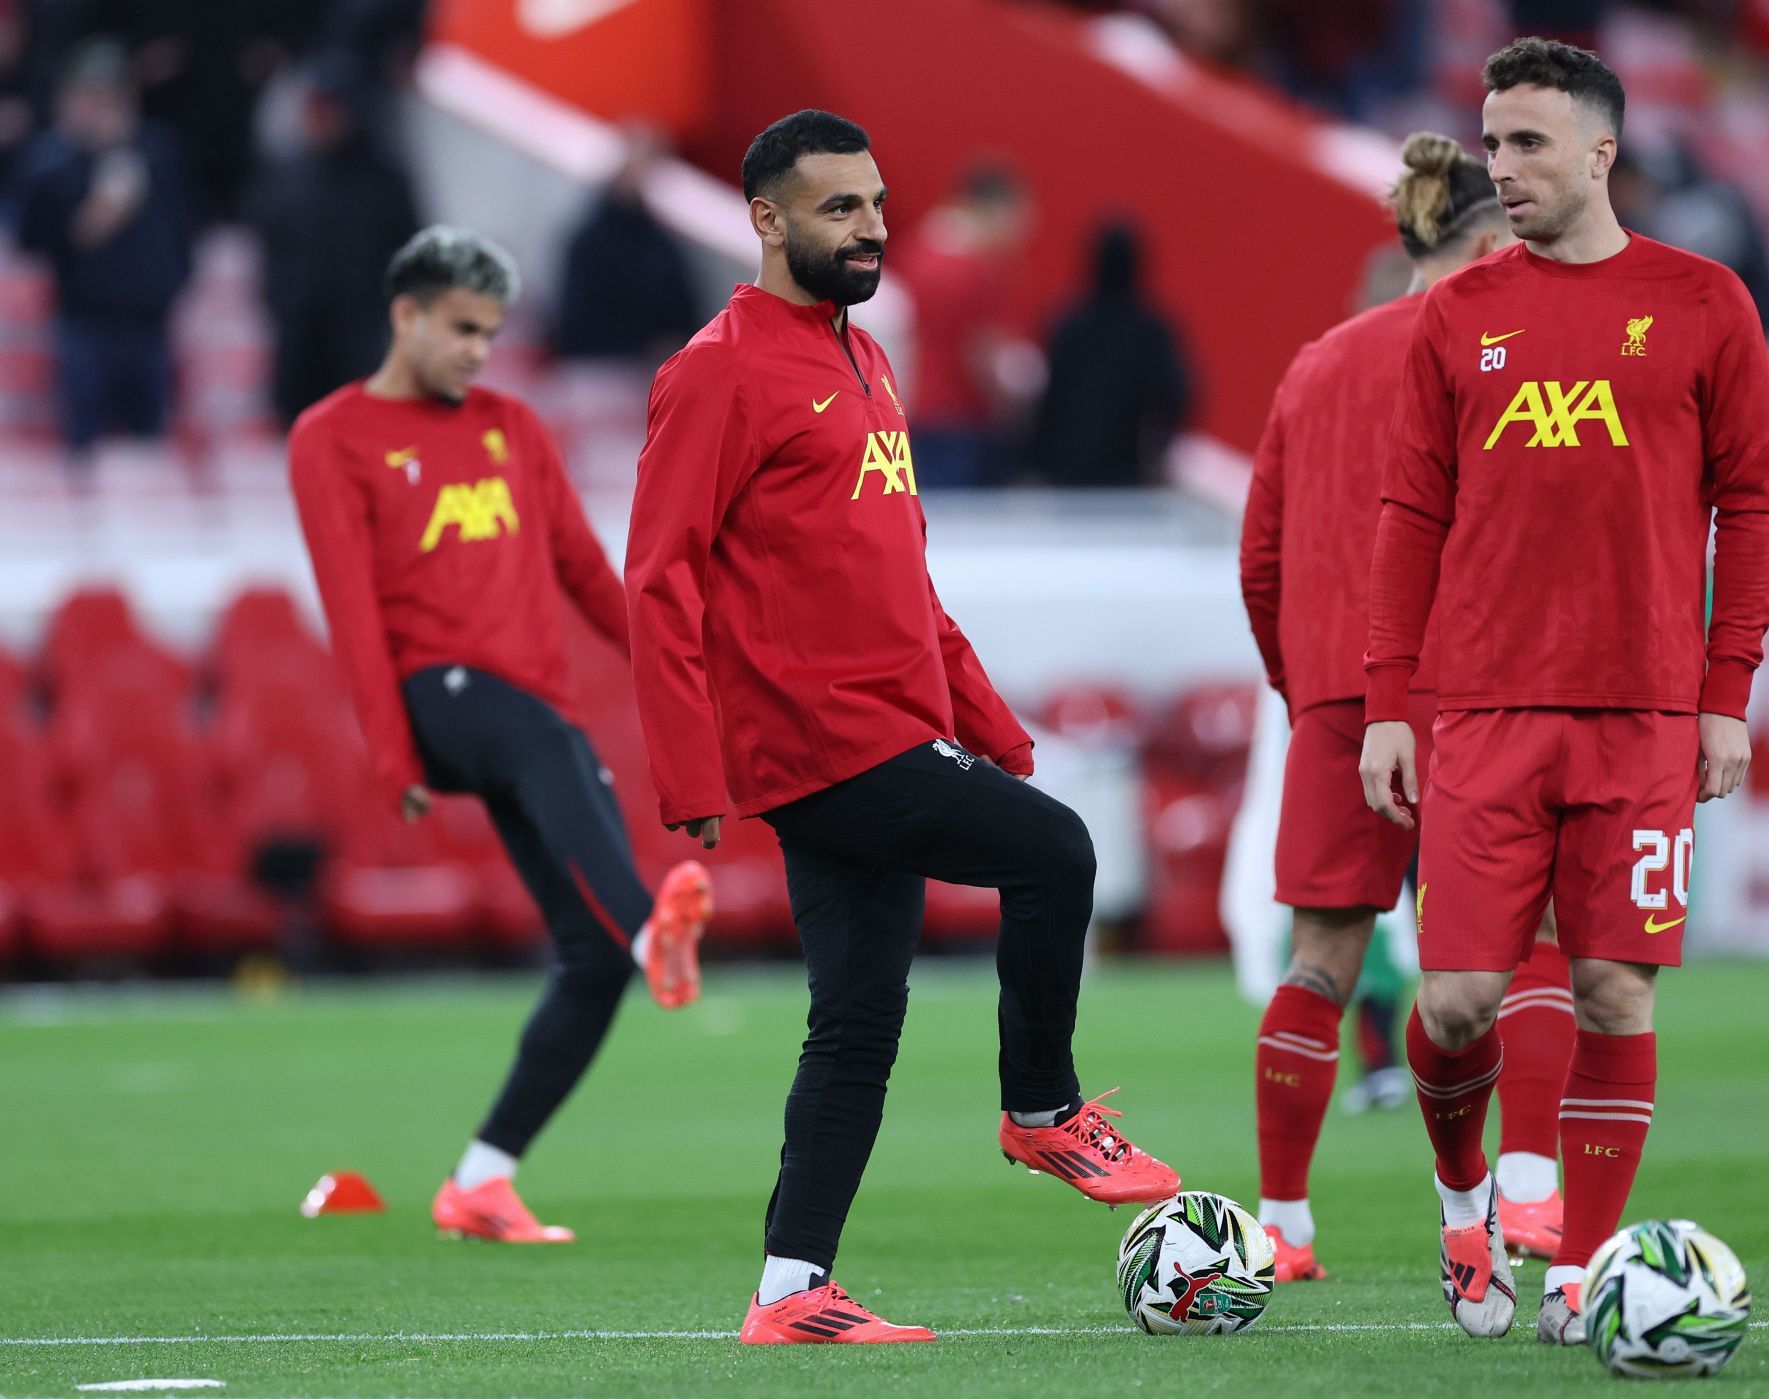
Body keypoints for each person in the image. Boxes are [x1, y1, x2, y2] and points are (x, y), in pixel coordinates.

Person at [625, 110, 1180, 1346]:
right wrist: (686, 768)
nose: (870, 228)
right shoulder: (717, 369)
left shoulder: (866, 362)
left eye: (876, 204)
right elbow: (657, 575)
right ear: (767, 220)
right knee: (1059, 853)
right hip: (824, 740)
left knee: (858, 1022)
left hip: (887, 726)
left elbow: (903, 582)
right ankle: (1041, 1109)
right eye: (838, 209)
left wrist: (994, 729)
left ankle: (789, 1292)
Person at [1358, 39, 1769, 1344]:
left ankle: (1582, 1267)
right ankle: (1464, 1191)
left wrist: (1727, 692)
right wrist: (1390, 699)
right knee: (1456, 1001)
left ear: (1602, 152)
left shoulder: (1707, 302)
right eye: (1492, 143)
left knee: (1614, 991)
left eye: (1528, 143)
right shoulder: (1456, 312)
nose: (1504, 167)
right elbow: (1408, 512)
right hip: (1483, 710)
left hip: (1645, 713)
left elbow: (1752, 503)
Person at [289, 226, 712, 1244]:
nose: (480, 349)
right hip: (436, 698)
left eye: (493, 332)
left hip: (529, 716)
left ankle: (482, 1177)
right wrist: (393, 756)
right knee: (544, 747)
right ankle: (656, 927)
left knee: (591, 959)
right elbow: (350, 611)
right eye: (464, 328)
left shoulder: (513, 428)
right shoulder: (333, 436)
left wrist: (677, 670)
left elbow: (580, 570)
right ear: (408, 315)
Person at [1239, 130, 1575, 1285]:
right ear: (1488, 240)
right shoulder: (1505, 356)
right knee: (1516, 942)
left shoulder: (1316, 363)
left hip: (1340, 694)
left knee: (1320, 958)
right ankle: (1521, 1192)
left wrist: (1309, 696)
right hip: (1477, 690)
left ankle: (1283, 1222)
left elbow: (1261, 558)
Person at [10, 39, 192, 454]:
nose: (104, 107)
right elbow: (31, 235)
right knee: (82, 448)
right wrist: (83, 220)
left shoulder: (157, 149)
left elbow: (184, 229)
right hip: (85, 322)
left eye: (113, 95)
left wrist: (171, 285)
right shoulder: (54, 158)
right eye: (92, 95)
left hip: (149, 322)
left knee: (150, 451)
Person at [250, 51, 421, 427]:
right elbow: (269, 247)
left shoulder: (384, 179)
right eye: (316, 109)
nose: (322, 120)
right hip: (300, 338)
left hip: (362, 336)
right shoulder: (286, 175)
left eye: (331, 109)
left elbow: (409, 253)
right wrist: (284, 300)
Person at [891, 162, 1030, 488]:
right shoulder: (976, 269)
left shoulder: (913, 250)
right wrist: (1010, 405)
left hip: (911, 404)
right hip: (959, 416)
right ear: (995, 208)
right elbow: (981, 353)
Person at [1029, 220, 1189, 487]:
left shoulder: (1068, 324)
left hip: (1065, 465)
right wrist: (1157, 451)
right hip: (1126, 467)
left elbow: (1048, 397)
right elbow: (1176, 395)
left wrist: (1035, 458)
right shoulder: (1151, 329)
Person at [549, 125, 699, 366]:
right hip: (599, 368)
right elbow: (576, 322)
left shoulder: (664, 246)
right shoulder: (589, 241)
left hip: (651, 370)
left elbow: (685, 312)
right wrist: (642, 346)